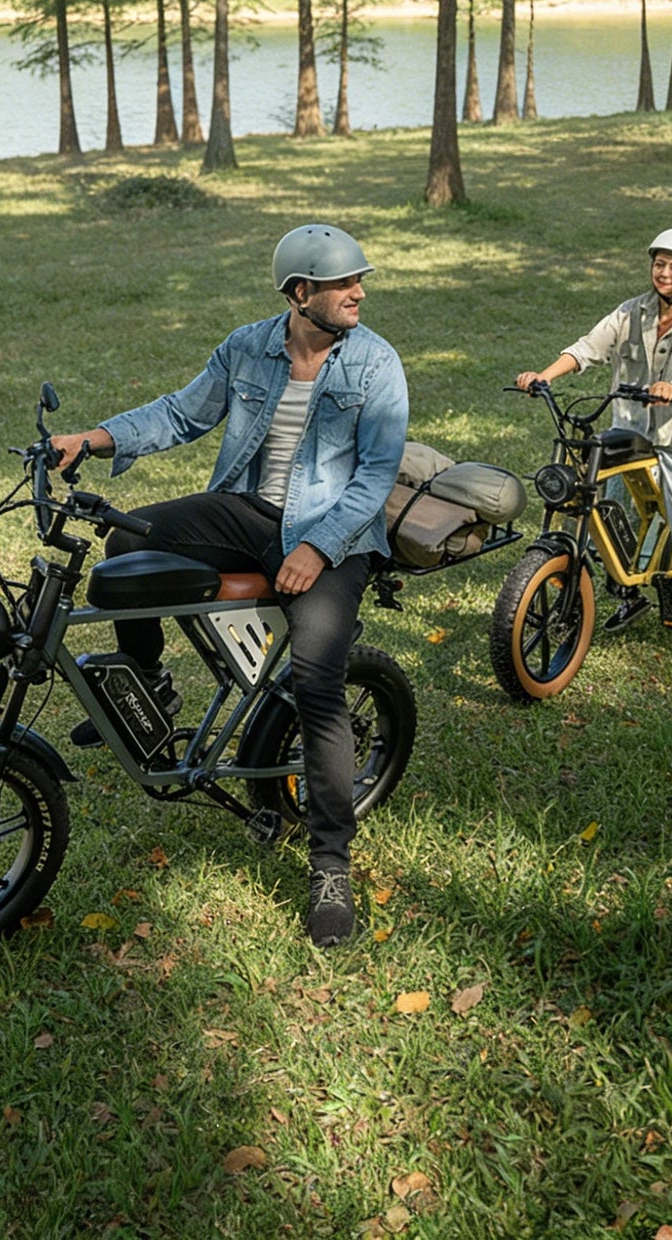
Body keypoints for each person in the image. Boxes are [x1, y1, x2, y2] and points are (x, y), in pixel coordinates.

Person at [53, 222, 410, 947]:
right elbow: (180, 413)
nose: (358, 293)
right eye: (344, 283)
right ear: (300, 292)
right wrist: (91, 438)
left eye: (359, 281)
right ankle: (151, 688)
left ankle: (330, 867)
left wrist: (317, 547)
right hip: (248, 511)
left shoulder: (376, 363)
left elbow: (376, 475)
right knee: (127, 542)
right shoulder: (248, 346)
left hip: (337, 532)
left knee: (316, 684)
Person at [515, 227, 672, 663]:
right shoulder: (631, 311)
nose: (664, 273)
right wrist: (545, 375)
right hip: (631, 430)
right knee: (599, 502)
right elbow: (589, 347)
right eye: (659, 264)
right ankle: (626, 592)